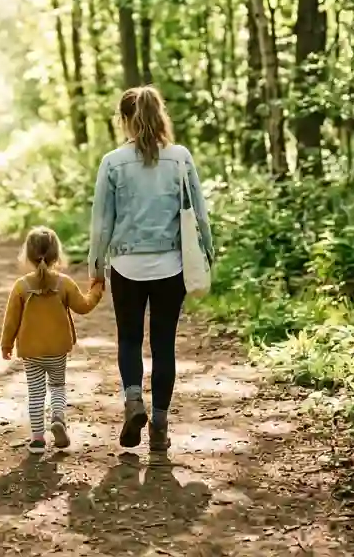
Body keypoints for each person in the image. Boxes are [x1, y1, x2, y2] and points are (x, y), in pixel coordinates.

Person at [88, 85, 214, 452]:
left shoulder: (112, 162)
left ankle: (133, 401)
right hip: (171, 265)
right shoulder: (179, 158)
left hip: (126, 265)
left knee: (128, 339)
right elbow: (199, 214)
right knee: (163, 345)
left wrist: (97, 265)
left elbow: (102, 222)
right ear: (161, 116)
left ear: (124, 120)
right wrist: (208, 252)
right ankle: (159, 425)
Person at [1, 226, 104, 452]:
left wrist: (6, 345)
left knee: (36, 392)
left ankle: (38, 439)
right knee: (57, 386)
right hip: (57, 349)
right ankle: (58, 418)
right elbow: (84, 306)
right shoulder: (64, 283)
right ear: (57, 255)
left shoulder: (21, 287)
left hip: (31, 351)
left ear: (27, 256)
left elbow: (11, 321)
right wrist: (96, 289)